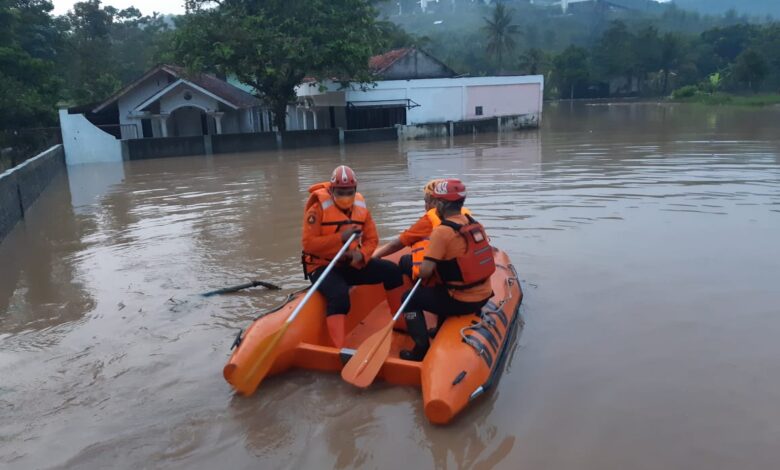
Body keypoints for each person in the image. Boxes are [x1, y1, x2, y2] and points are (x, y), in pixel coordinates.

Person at [301, 165, 404, 348]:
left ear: (355, 190)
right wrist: (341, 237)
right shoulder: (316, 210)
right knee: (339, 295)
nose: (345, 196)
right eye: (341, 192)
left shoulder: (361, 208)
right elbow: (309, 244)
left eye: (349, 192)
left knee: (392, 271)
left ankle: (400, 323)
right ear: (332, 190)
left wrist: (362, 255)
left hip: (350, 263)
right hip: (321, 266)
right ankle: (339, 347)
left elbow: (372, 239)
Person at [399, 179, 496, 361]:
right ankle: (438, 328)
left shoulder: (442, 232)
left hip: (461, 300)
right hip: (484, 294)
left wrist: (418, 267)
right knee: (443, 283)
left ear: (441, 204)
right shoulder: (474, 223)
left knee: (409, 298)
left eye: (436, 202)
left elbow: (425, 271)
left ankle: (420, 350)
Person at [372, 179, 471, 280]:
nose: (425, 206)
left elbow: (397, 244)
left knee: (404, 260)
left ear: (436, 202)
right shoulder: (468, 218)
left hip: (440, 276)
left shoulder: (429, 221)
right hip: (462, 269)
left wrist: (374, 256)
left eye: (426, 201)